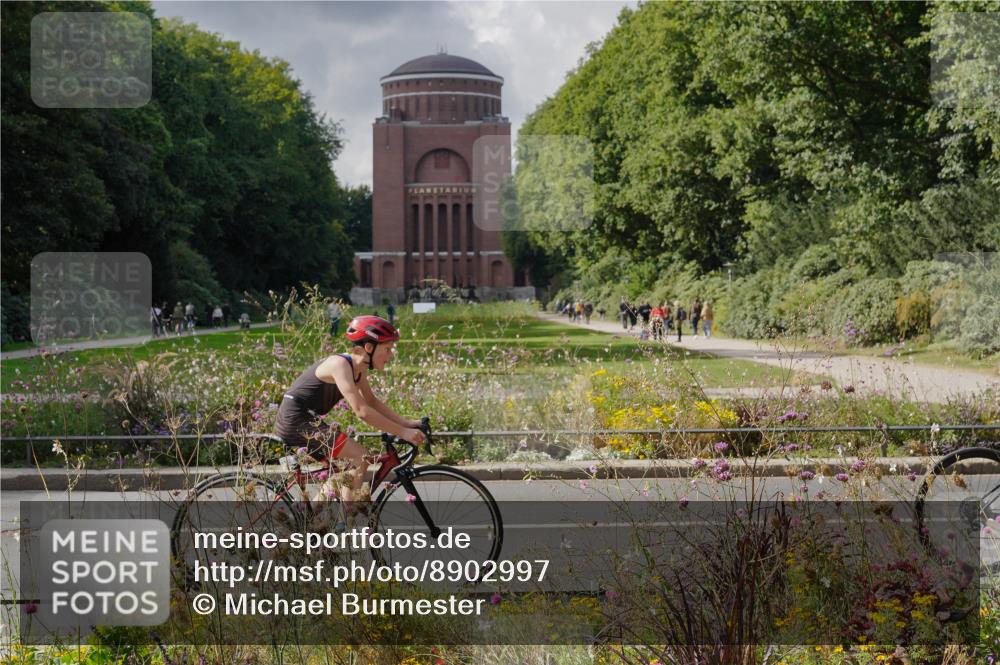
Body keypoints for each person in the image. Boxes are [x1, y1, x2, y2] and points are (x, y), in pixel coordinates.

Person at [274, 315, 426, 511]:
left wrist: (406, 424)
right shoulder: (340, 365)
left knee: (349, 467)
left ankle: (316, 521)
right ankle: (344, 520)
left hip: (304, 419)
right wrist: (402, 433)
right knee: (360, 457)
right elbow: (361, 410)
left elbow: (372, 402)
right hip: (294, 419)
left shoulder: (358, 370)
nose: (391, 355)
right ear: (369, 348)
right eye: (387, 349)